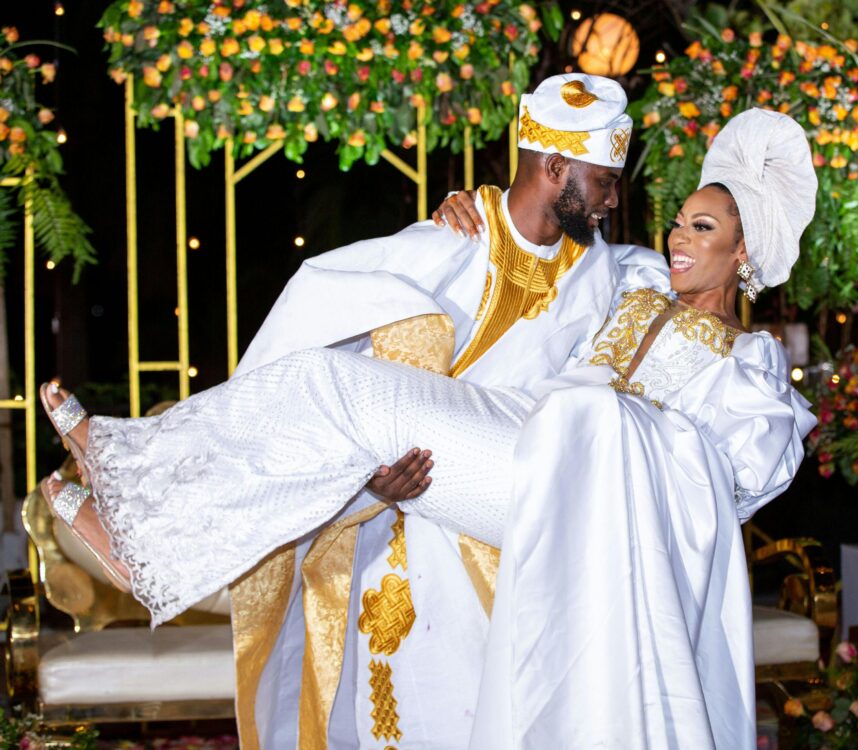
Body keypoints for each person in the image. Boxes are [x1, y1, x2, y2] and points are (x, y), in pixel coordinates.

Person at [40, 107, 816, 749]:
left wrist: (613, 429)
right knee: (330, 383)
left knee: (343, 396)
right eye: (680, 221)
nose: (679, 238)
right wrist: (473, 212)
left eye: (703, 229)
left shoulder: (754, 369)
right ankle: (138, 495)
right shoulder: (636, 278)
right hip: (525, 435)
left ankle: (132, 498)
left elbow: (716, 498)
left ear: (743, 253)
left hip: (575, 490)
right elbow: (543, 249)